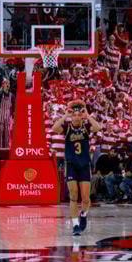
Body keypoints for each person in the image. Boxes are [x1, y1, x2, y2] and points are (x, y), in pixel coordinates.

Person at [51, 99, 102, 236]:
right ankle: (75, 226)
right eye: (75, 115)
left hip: (85, 165)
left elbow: (97, 128)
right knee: (73, 196)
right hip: (71, 164)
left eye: (79, 115)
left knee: (85, 198)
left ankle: (83, 214)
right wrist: (65, 116)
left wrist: (88, 116)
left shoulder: (85, 127)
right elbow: (55, 128)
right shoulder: (67, 128)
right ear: (72, 116)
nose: (77, 117)